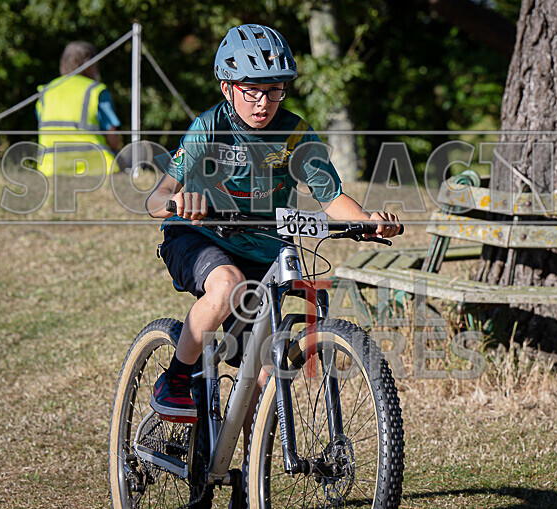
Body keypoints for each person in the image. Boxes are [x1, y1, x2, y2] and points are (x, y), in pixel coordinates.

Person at [144, 23, 401, 504]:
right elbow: (158, 197)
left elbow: (331, 196)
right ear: (227, 87)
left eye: (274, 91)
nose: (264, 102)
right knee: (226, 287)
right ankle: (177, 378)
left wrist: (366, 221)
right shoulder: (210, 127)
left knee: (264, 373)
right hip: (198, 237)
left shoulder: (295, 131)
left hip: (265, 250)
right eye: (252, 91)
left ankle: (247, 479)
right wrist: (182, 202)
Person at [36, 41, 123, 176]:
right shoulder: (96, 90)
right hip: (95, 168)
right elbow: (112, 137)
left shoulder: (46, 92)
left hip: (50, 169)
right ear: (89, 66)